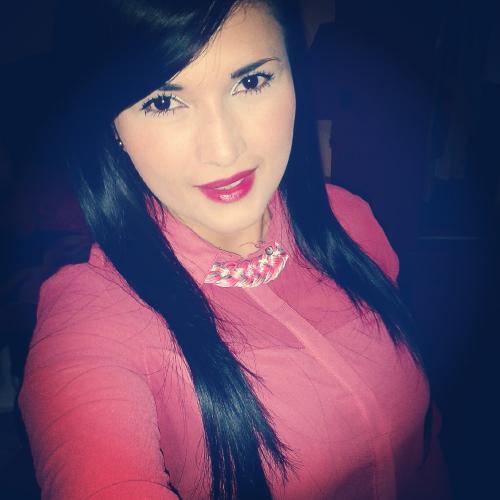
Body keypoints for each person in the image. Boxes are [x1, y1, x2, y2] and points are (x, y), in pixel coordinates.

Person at [18, 1, 450, 498]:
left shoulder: (349, 220)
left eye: (251, 81)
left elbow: (425, 437)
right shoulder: (92, 321)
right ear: (110, 124)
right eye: (162, 103)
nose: (224, 150)